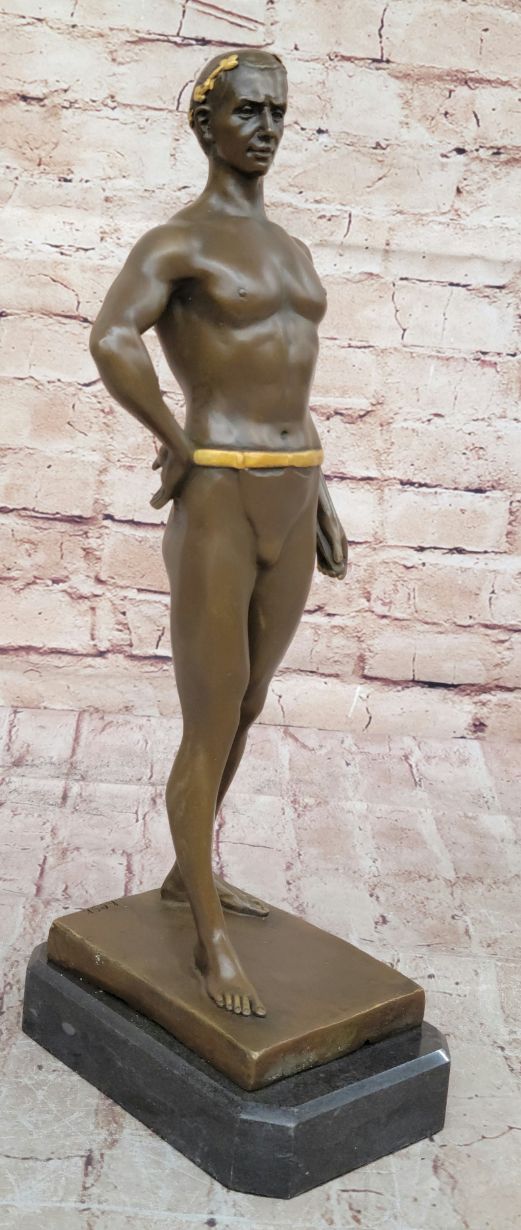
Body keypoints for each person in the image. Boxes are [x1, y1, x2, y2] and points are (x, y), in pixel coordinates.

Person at [90, 49, 348, 1018]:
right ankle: (208, 941)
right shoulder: (177, 244)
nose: (267, 127)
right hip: (221, 492)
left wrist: (322, 494)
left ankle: (182, 875)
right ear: (205, 125)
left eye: (277, 110)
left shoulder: (292, 251)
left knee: (248, 703)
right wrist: (172, 437)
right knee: (209, 716)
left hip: (295, 482)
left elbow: (289, 378)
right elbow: (111, 335)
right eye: (246, 111)